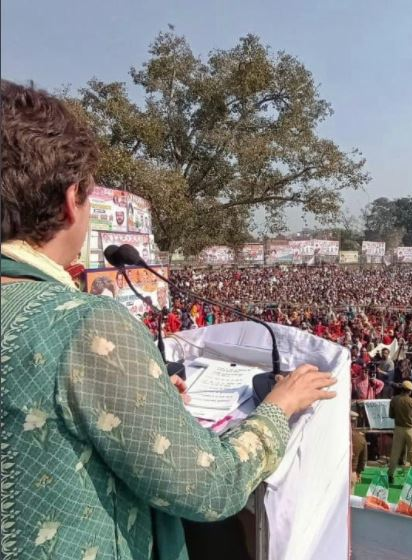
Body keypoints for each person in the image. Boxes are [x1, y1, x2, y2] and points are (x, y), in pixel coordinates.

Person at [0, 80, 337, 559]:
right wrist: (278, 409)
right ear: (70, 200)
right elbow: (208, 487)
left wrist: (144, 391)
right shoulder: (84, 325)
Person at [387, 380, 412, 484]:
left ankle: (390, 475)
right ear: (410, 391)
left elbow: (391, 415)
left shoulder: (394, 400)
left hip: (398, 428)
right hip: (410, 429)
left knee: (395, 453)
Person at [351, 411, 368, 494]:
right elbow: (363, 459)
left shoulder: (335, 436)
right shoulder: (360, 438)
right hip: (352, 473)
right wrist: (358, 472)